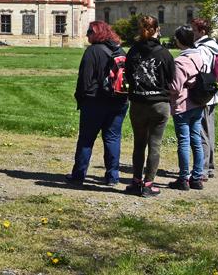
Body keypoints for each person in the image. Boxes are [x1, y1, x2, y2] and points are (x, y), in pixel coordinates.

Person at [66, 21, 128, 186]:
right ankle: (112, 177)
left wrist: (81, 98)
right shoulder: (119, 50)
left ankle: (79, 175)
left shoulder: (92, 51)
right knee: (113, 138)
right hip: (118, 101)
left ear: (97, 33)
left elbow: (84, 81)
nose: (87, 35)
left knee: (86, 139)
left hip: (95, 101)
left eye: (89, 31)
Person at [123, 16, 175, 197]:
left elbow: (127, 75)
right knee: (155, 145)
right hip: (159, 103)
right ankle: (149, 183)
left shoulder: (133, 51)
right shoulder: (164, 53)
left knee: (139, 144)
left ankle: (136, 181)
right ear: (157, 30)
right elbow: (171, 78)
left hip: (138, 102)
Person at [169, 25, 206, 190]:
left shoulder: (180, 61)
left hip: (183, 105)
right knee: (196, 140)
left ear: (179, 41)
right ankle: (197, 177)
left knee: (184, 141)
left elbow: (175, 87)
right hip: (198, 102)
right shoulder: (199, 56)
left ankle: (183, 178)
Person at [191, 17, 218, 180]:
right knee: (209, 132)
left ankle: (202, 169)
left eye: (194, 30)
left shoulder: (202, 49)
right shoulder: (214, 46)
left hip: (203, 95)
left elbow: (200, 69)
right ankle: (209, 166)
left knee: (201, 132)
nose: (192, 33)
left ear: (202, 31)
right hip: (212, 94)